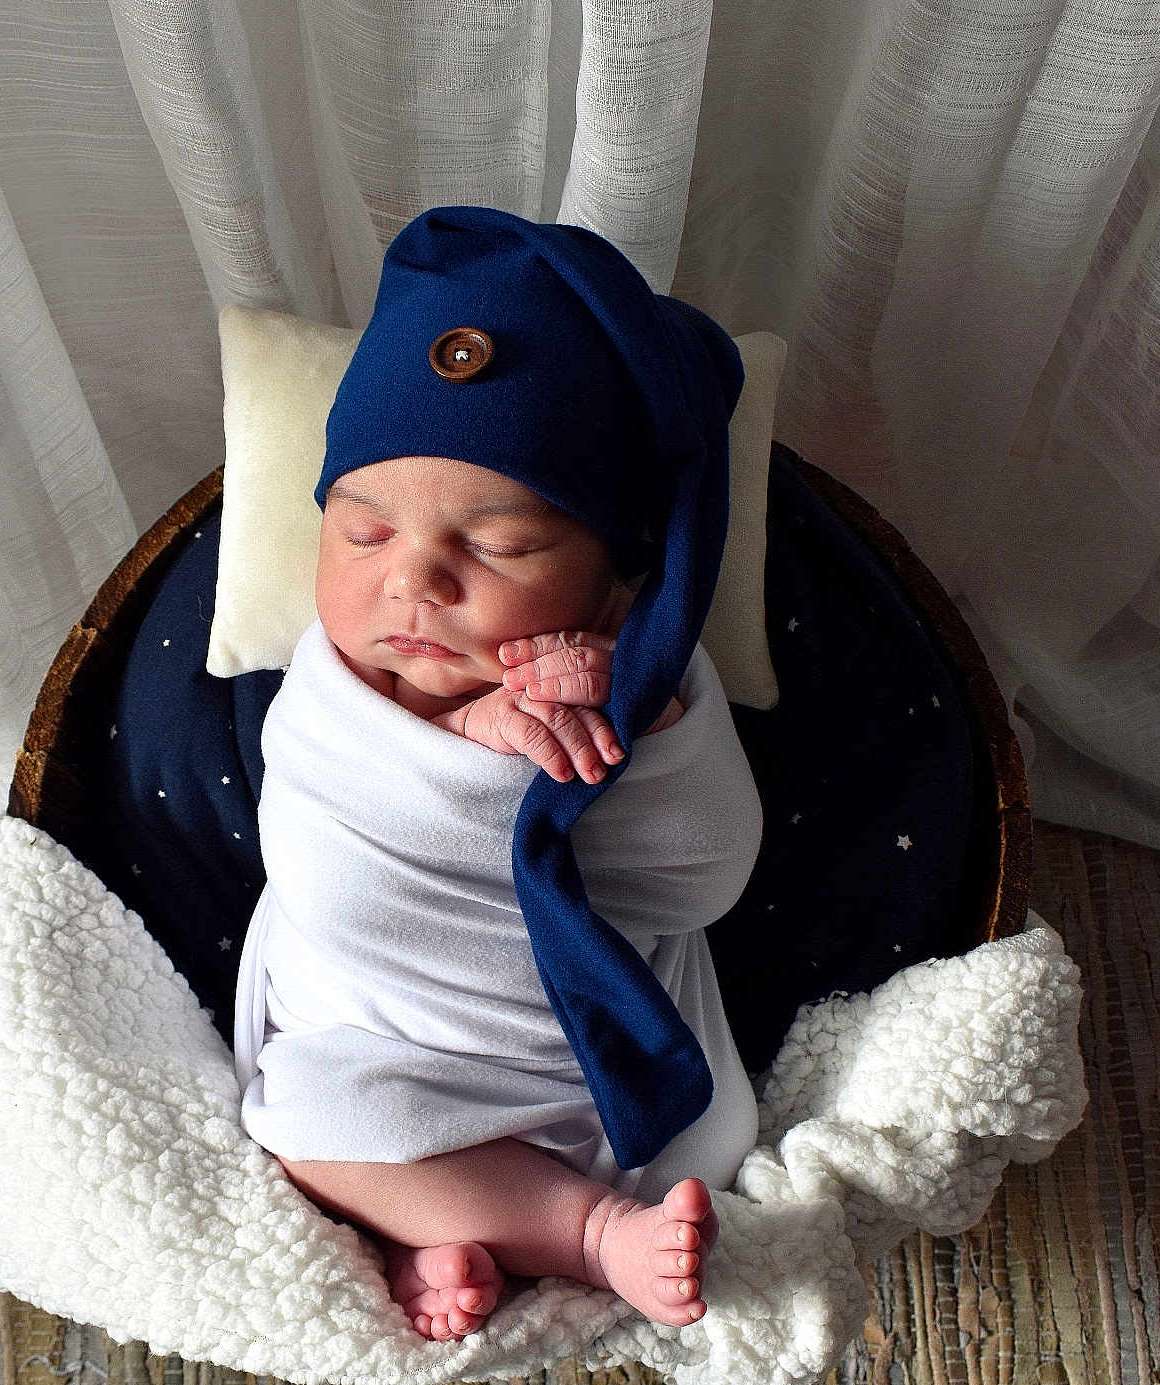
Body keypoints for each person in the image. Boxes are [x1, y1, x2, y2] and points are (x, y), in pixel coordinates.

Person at [233, 206, 762, 1342]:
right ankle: (578, 1233)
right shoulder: (324, 704)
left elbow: (701, 875)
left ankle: (446, 1239)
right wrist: (473, 756)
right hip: (381, 1037)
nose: (413, 582)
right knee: (311, 1113)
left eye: (500, 546)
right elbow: (326, 872)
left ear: (617, 581)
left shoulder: (628, 681)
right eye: (362, 534)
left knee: (376, 1145)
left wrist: (647, 712)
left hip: (566, 1059)